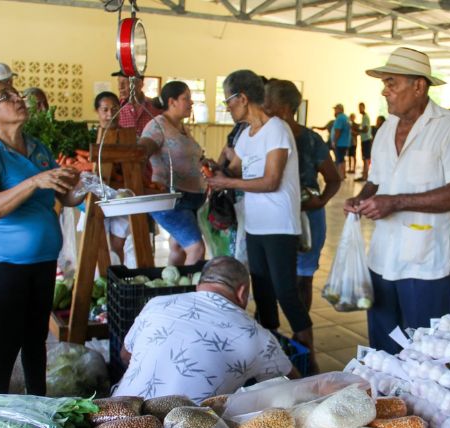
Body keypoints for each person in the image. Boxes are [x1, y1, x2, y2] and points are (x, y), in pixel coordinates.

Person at [344, 47, 450, 354]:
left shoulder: (449, 127)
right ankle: (388, 401)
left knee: (427, 351)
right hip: (382, 258)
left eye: (392, 82)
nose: (384, 90)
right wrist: (361, 197)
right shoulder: (386, 129)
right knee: (384, 347)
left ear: (419, 86)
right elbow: (378, 180)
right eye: (384, 83)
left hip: (427, 262)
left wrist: (397, 202)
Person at [0, 80, 85, 395]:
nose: (19, 98)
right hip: (3, 263)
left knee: (35, 340)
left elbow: (64, 196)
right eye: (7, 96)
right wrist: (35, 181)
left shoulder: (36, 147)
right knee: (6, 343)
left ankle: (38, 405)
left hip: (42, 261)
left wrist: (83, 185)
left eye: (16, 93)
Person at [206, 70, 317, 372]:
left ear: (242, 97)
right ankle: (273, 362)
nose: (228, 108)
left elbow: (270, 181)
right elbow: (234, 171)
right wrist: (213, 170)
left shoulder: (276, 129)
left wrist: (228, 183)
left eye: (228, 101)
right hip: (255, 225)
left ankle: (309, 360)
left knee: (286, 293)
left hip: (280, 226)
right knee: (264, 295)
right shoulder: (246, 134)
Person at [114, 257, 299, 401]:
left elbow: (125, 355)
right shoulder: (257, 336)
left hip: (116, 416)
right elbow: (293, 385)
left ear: (198, 285)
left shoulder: (156, 303)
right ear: (242, 293)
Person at [265, 80, 342, 310]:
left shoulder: (310, 140)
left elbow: (334, 179)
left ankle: (302, 335)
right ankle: (269, 333)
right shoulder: (263, 136)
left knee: (303, 277)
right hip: (273, 218)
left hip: (306, 220)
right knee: (268, 278)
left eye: (269, 102)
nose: (264, 107)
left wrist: (320, 201)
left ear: (287, 108)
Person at [139, 81, 206, 266]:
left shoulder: (182, 127)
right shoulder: (157, 126)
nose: (191, 103)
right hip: (171, 199)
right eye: (186, 98)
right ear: (172, 101)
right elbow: (142, 150)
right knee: (196, 248)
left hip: (190, 198)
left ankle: (172, 289)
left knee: (178, 247)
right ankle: (191, 294)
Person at [89, 91, 131, 265]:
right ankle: (101, 281)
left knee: (117, 243)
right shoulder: (91, 136)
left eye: (114, 109)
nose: (109, 114)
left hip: (122, 195)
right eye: (105, 109)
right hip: (97, 196)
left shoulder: (128, 137)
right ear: (97, 111)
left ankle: (117, 278)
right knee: (97, 244)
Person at [331, 103, 352, 180]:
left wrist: (334, 141)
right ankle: (343, 174)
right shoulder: (346, 118)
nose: (335, 111)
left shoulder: (339, 118)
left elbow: (337, 131)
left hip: (340, 143)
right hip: (346, 143)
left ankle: (340, 176)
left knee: (339, 160)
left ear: (340, 109)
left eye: (336, 109)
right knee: (342, 159)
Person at [358, 102, 373, 181]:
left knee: (366, 159)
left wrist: (358, 130)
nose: (359, 109)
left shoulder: (366, 117)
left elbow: (365, 129)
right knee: (364, 158)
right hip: (364, 140)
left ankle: (365, 176)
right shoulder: (363, 117)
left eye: (360, 107)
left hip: (366, 140)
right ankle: (364, 175)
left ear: (364, 107)